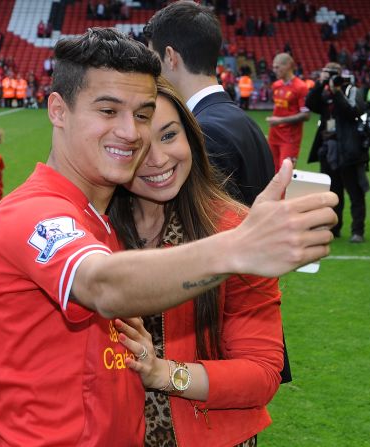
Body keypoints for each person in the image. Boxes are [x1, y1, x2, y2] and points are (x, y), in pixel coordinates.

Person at [0, 28, 338, 446]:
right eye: (108, 111)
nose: (131, 132)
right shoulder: (33, 211)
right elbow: (102, 284)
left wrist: (161, 370)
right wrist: (238, 248)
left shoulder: (100, 221)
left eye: (143, 115)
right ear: (58, 109)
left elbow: (260, 369)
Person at [109, 77, 284, 446]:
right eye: (138, 144)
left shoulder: (234, 229)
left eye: (169, 135)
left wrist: (162, 373)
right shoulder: (92, 228)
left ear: (192, 137)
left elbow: (262, 373)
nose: (157, 159)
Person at [143, 0, 292, 383]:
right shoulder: (240, 121)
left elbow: (194, 234)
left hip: (215, 333)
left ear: (170, 57)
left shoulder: (205, 132)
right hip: (245, 315)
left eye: (152, 58)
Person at [306, 62, 369, 243]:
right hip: (328, 149)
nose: (330, 77)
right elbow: (310, 104)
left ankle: (358, 230)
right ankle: (335, 227)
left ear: (340, 74)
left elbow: (353, 111)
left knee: (355, 192)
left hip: (349, 150)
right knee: (333, 192)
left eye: (332, 74)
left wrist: (338, 91)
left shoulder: (352, 91)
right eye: (326, 73)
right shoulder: (324, 92)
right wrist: (320, 84)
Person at [266, 52, 310, 172]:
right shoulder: (276, 85)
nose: (274, 70)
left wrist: (280, 120)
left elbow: (306, 115)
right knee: (271, 170)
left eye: (277, 67)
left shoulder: (301, 87)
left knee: (285, 173)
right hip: (274, 134)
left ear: (288, 65)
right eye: (273, 67)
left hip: (290, 137)